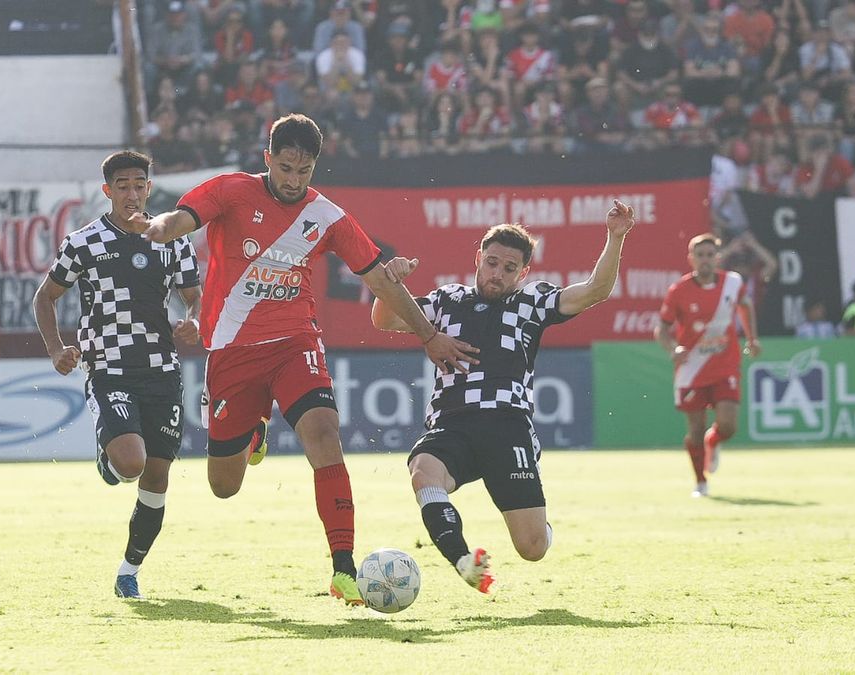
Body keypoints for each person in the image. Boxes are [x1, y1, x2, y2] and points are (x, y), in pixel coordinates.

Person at [141, 114, 477, 605]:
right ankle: (255, 430)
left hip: (296, 342)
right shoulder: (230, 191)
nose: (294, 179)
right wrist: (154, 227)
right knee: (223, 485)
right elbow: (177, 222)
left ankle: (343, 568)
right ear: (268, 159)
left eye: (304, 170)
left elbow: (381, 280)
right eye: (285, 167)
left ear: (315, 166)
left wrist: (428, 336)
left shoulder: (329, 217)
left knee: (323, 433)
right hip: (232, 352)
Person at [371, 204, 636, 594]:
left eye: (509, 268)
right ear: (478, 259)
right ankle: (464, 561)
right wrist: (390, 283)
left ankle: (540, 526)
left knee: (532, 549)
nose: (497, 273)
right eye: (492, 262)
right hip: (452, 423)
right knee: (423, 471)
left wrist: (616, 237)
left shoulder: (531, 303)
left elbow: (595, 290)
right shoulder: (447, 301)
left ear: (523, 273)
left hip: (506, 427)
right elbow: (384, 319)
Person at [32, 151, 202, 599]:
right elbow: (45, 298)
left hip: (162, 370)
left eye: (139, 184)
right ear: (107, 191)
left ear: (149, 187)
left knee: (157, 478)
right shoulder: (84, 242)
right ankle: (110, 455)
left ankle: (129, 570)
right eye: (122, 186)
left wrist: (193, 319)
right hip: (108, 367)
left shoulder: (172, 239)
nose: (131, 193)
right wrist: (55, 349)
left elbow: (192, 295)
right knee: (131, 463)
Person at [656, 234, 761, 499]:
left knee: (728, 425)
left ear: (718, 258)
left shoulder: (732, 283)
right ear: (691, 259)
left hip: (725, 365)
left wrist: (751, 338)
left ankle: (713, 442)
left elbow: (745, 306)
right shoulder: (678, 291)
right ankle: (700, 482)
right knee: (695, 428)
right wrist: (673, 349)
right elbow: (662, 329)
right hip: (692, 368)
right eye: (699, 255)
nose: (705, 260)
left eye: (709, 255)